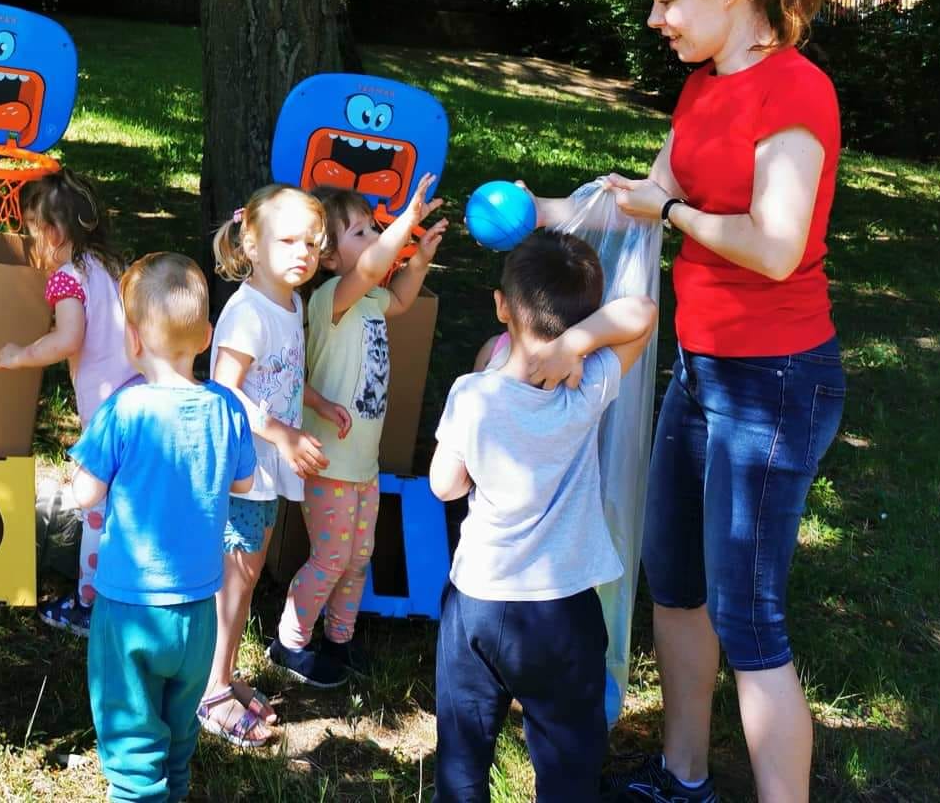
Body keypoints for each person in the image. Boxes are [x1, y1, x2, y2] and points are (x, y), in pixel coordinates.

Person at [534, 0, 843, 803]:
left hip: (777, 381)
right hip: (703, 373)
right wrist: (545, 208)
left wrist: (668, 216)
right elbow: (644, 192)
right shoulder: (704, 86)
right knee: (675, 582)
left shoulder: (795, 91)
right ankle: (683, 773)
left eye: (668, 1)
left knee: (750, 618)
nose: (656, 19)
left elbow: (775, 244)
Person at [429, 230, 656, 800]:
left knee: (463, 749)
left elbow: (444, 485)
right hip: (561, 610)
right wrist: (579, 343)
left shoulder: (471, 395)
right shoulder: (586, 384)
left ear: (501, 306)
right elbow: (644, 312)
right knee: (568, 753)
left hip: (477, 603)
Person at [68, 253, 258, 803]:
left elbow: (86, 494)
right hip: (198, 609)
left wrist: (81, 467)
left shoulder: (124, 409)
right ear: (206, 336)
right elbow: (242, 484)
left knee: (132, 745)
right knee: (178, 738)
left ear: (132, 338)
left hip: (131, 608)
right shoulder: (225, 407)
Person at [269, 178, 446, 686]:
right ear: (328, 258)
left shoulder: (369, 302)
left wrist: (420, 259)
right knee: (330, 557)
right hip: (327, 462)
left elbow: (403, 299)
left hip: (362, 464)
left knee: (357, 557)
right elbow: (370, 269)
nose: (373, 239)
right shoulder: (332, 299)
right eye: (360, 232)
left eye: (374, 229)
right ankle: (290, 641)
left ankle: (340, 640)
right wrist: (405, 223)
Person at [197, 184, 330, 746]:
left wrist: (318, 404)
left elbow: (282, 373)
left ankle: (221, 674)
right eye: (289, 240)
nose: (304, 253)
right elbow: (223, 391)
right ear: (250, 242)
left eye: (314, 243)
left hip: (267, 470)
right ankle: (210, 693)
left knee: (245, 576)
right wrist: (285, 433)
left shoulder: (290, 301)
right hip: (242, 470)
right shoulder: (248, 312)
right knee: (236, 578)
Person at [0, 170, 134, 635]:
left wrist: (21, 355)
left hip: (106, 413)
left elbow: (67, 336)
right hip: (142, 398)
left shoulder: (67, 279)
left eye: (31, 230)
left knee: (94, 507)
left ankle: (90, 603)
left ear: (52, 233)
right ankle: (133, 589)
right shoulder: (116, 270)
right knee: (128, 503)